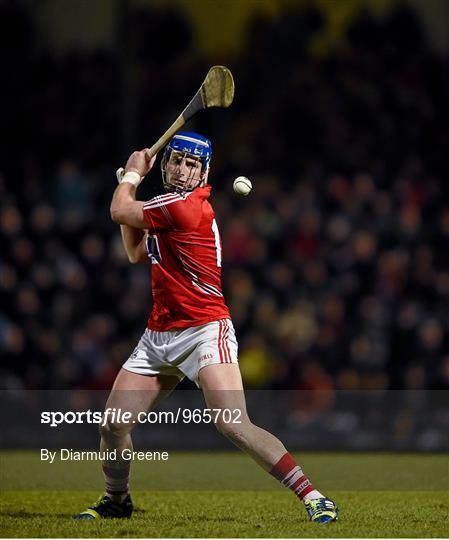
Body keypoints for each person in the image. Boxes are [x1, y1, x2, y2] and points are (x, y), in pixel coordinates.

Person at [74, 132, 338, 523]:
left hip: (204, 329)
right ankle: (117, 500)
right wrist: (128, 190)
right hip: (159, 334)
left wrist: (129, 178)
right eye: (177, 161)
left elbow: (117, 212)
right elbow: (133, 250)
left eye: (192, 164)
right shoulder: (165, 205)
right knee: (113, 424)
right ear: (166, 165)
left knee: (234, 424)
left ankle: (314, 496)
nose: (183, 170)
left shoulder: (184, 207)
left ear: (204, 172)